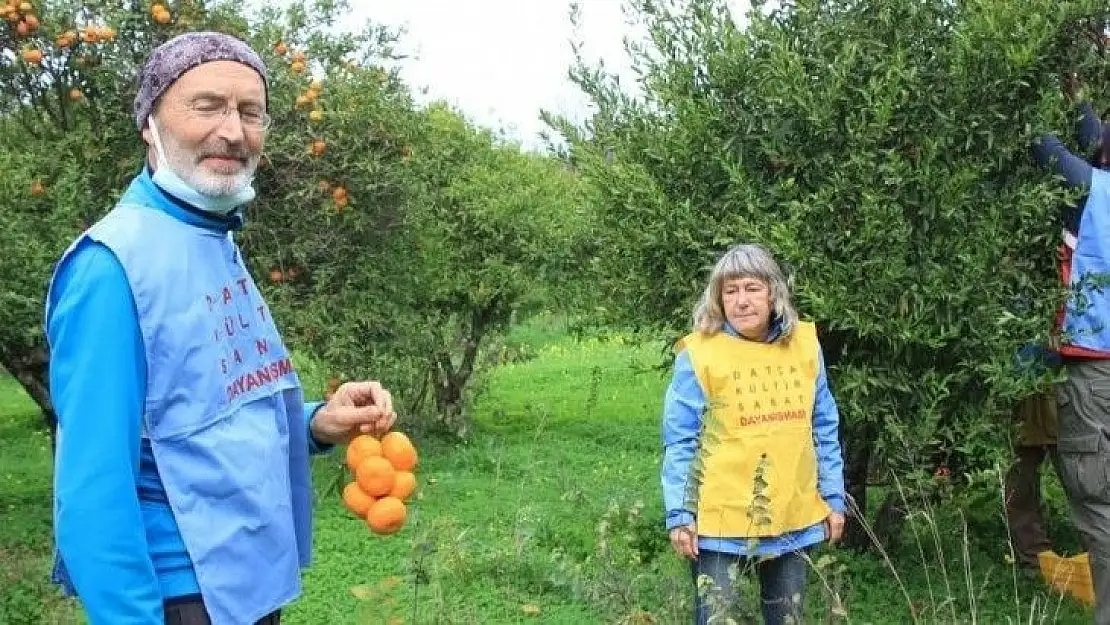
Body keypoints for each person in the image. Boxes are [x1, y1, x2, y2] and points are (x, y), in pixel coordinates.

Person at [44, 32, 396, 625]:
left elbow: (207, 407)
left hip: (246, 582)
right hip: (183, 593)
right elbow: (91, 489)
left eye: (250, 112)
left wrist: (315, 424)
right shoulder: (112, 266)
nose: (232, 132)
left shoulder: (210, 235)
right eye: (206, 106)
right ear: (150, 123)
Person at [660, 243, 846, 625]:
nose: (742, 301)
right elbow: (681, 439)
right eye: (731, 291)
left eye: (751, 288)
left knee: (788, 619)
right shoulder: (698, 355)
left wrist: (832, 495)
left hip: (793, 513)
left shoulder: (805, 346)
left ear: (773, 292)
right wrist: (680, 514)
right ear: (719, 299)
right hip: (718, 521)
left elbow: (825, 425)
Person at [1032, 74, 1110, 623]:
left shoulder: (1093, 189)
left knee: (1101, 510)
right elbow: (1091, 135)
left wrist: (1021, 71)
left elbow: (1043, 143)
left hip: (1096, 375)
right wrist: (1078, 97)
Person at [1004, 345, 1062, 573]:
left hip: (1069, 372)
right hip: (1019, 376)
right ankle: (1037, 559)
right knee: (1022, 467)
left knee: (1082, 467)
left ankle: (1098, 553)